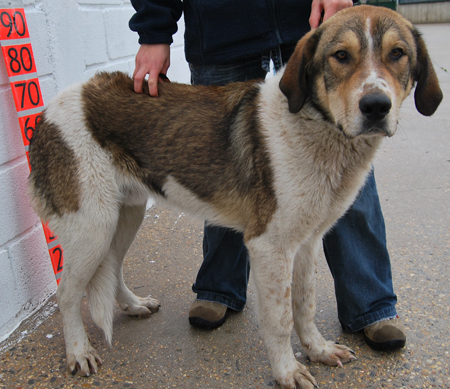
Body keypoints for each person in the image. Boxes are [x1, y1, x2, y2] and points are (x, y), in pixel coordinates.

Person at [129, 0, 406, 351]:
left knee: (347, 157)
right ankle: (219, 287)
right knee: (222, 168)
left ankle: (370, 303)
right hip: (221, 25)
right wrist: (154, 30)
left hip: (310, 19)